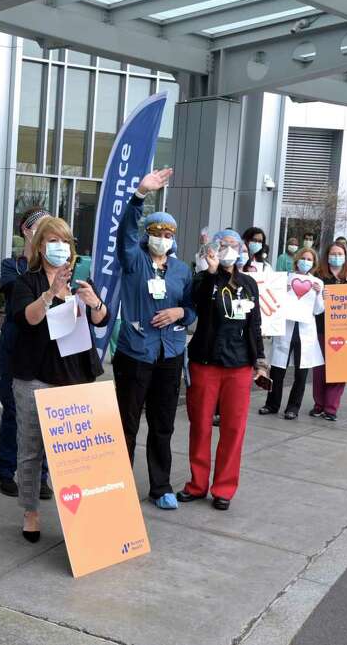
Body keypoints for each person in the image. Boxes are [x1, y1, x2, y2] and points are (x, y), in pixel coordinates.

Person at [9, 215, 109, 541]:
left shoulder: (81, 281)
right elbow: (29, 318)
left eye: (64, 241)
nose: (59, 247)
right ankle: (31, 512)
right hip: (35, 378)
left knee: (76, 455)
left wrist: (96, 304)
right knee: (31, 450)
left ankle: (77, 517)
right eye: (53, 241)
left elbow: (100, 318)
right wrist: (50, 293)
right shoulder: (27, 281)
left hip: (75, 379)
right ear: (40, 246)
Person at [114, 168, 197, 510]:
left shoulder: (181, 270)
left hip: (171, 352)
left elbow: (191, 307)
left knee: (162, 423)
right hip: (136, 351)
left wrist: (180, 314)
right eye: (156, 231)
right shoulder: (134, 260)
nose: (162, 236)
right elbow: (125, 234)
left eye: (168, 232)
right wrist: (139, 195)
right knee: (127, 423)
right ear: (147, 234)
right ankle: (118, 485)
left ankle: (160, 486)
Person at [178, 230, 268, 511]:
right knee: (201, 426)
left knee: (233, 429)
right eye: (223, 245)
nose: (228, 249)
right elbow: (198, 304)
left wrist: (261, 362)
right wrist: (211, 271)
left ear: (242, 250)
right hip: (206, 362)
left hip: (239, 365)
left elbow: (255, 324)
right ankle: (197, 484)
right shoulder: (205, 279)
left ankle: (224, 489)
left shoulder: (249, 283)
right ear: (213, 249)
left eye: (234, 245)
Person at [0, 206, 53, 499]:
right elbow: (16, 290)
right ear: (27, 231)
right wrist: (32, 255)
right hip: (14, 345)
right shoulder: (12, 265)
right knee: (13, 409)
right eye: (41, 227)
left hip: (44, 347)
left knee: (44, 412)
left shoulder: (54, 269)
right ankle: (6, 470)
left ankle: (40, 476)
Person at [259, 247, 324, 420]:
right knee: (277, 371)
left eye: (309, 259)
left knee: (301, 374)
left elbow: (318, 310)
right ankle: (272, 404)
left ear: (314, 263)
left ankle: (293, 408)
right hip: (285, 330)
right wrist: (284, 289)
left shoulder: (317, 282)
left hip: (305, 334)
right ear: (297, 260)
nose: (306, 262)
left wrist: (318, 294)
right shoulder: (286, 278)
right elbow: (274, 303)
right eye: (303, 258)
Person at [310, 242, 347, 421]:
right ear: (327, 256)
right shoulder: (317, 275)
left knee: (340, 369)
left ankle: (331, 408)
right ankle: (319, 404)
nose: (336, 256)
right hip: (321, 327)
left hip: (346, 330)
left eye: (340, 253)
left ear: (345, 256)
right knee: (319, 368)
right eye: (333, 253)